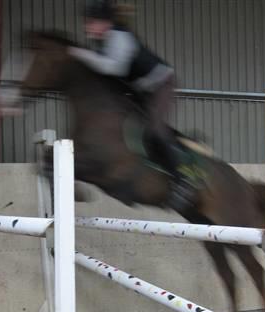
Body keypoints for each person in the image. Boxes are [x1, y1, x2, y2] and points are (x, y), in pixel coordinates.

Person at [68, 0, 185, 194]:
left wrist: (80, 54)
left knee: (154, 129)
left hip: (161, 84)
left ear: (105, 23)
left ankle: (182, 179)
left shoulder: (120, 37)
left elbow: (112, 68)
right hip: (140, 88)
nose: (86, 26)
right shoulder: (105, 39)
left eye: (91, 22)